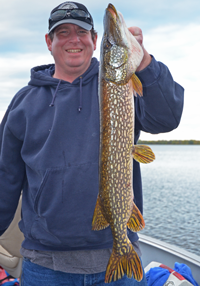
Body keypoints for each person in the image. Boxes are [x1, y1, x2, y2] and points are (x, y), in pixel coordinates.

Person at [0, 2, 184, 285]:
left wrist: (144, 62)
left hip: (116, 254)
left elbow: (167, 119)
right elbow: (5, 179)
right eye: (63, 33)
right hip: (46, 264)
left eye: (82, 32)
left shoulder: (123, 84)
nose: (74, 39)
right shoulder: (22, 105)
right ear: (49, 42)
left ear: (95, 40)